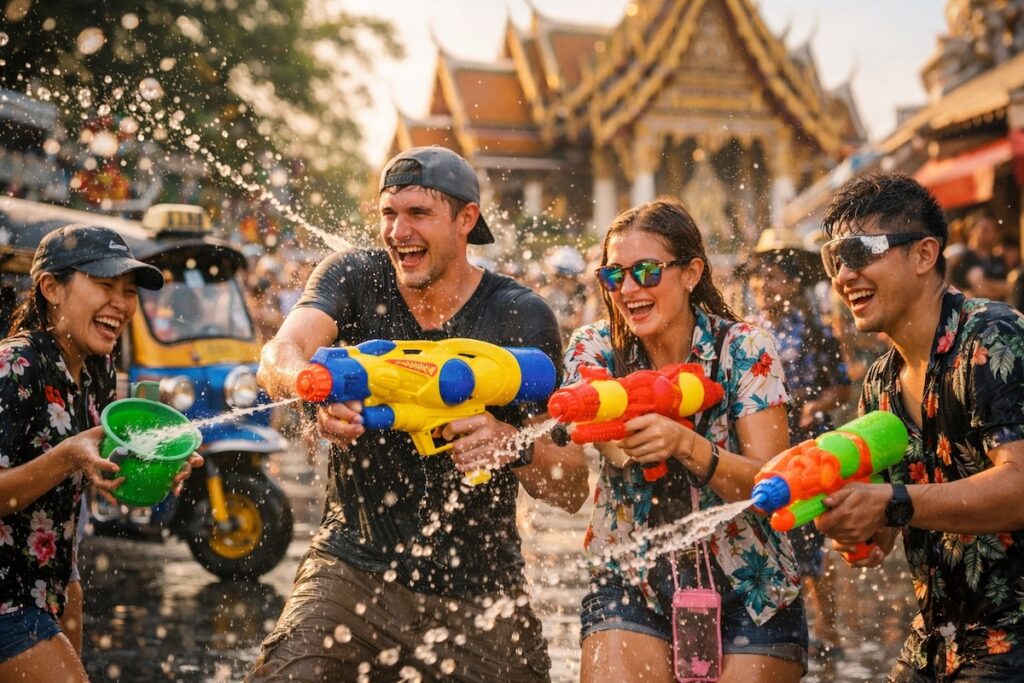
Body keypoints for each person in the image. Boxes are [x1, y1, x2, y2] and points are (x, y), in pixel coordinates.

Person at [248, 145, 589, 681]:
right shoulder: (356, 278)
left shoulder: (517, 314)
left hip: (479, 594)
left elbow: (571, 489)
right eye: (389, 213)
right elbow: (278, 354)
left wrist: (511, 443)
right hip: (350, 569)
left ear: (466, 219)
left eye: (418, 214)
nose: (398, 231)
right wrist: (311, 387)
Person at [569, 199, 807, 683]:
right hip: (630, 575)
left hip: (752, 583)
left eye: (647, 272)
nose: (629, 289)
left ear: (692, 272)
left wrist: (685, 444)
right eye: (615, 276)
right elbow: (600, 435)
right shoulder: (592, 345)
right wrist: (627, 432)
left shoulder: (745, 349)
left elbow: (773, 488)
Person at [814, 173, 1024, 681]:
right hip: (935, 638)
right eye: (835, 260)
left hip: (1014, 636)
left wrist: (889, 503)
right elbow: (884, 535)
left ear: (924, 255)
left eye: (860, 252)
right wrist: (852, 525)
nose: (845, 275)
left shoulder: (993, 337)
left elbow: (1019, 487)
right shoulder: (880, 384)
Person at [0, 225, 201, 681]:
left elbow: (107, 480)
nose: (122, 304)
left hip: (53, 580)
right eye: (105, 286)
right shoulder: (15, 367)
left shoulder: (96, 367)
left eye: (128, 291)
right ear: (51, 287)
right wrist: (70, 455)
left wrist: (155, 467)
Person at [746, 236, 851, 660]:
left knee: (811, 537)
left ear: (791, 284)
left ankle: (827, 629)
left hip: (807, 444)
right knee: (768, 531)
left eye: (770, 278)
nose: (761, 286)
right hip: (762, 444)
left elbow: (842, 386)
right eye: (756, 278)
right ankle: (777, 627)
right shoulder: (747, 330)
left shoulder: (814, 329)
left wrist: (814, 406)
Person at [946, 210, 1008, 300]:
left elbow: (1010, 288)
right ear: (970, 231)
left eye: (993, 229)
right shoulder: (960, 256)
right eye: (985, 230)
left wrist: (985, 284)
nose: (990, 234)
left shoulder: (998, 260)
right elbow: (982, 290)